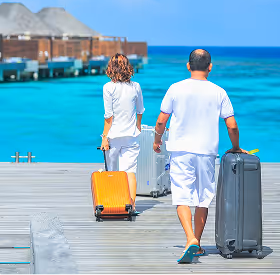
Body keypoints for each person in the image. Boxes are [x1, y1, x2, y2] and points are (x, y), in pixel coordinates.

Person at [153, 49, 248, 263]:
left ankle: (190, 239)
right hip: (206, 152)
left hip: (180, 150)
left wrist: (157, 140)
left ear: (188, 66)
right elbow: (231, 125)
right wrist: (235, 147)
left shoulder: (175, 88)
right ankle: (196, 241)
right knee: (203, 197)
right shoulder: (219, 92)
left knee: (182, 195)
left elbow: (161, 121)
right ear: (210, 67)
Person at [100, 53, 145, 215]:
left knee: (111, 172)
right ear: (128, 67)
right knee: (130, 171)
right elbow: (140, 110)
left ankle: (112, 204)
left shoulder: (108, 87)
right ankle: (131, 206)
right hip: (131, 135)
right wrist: (137, 126)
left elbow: (108, 116)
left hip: (113, 136)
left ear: (111, 68)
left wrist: (104, 137)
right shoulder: (136, 86)